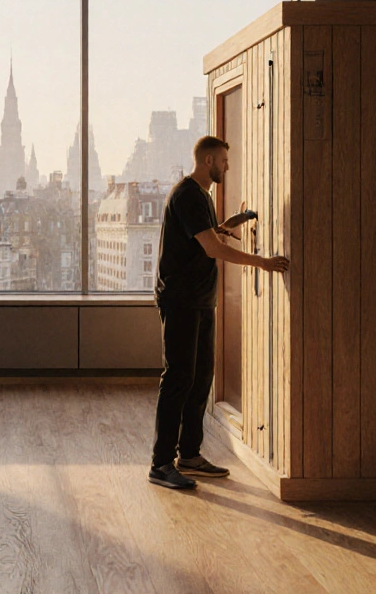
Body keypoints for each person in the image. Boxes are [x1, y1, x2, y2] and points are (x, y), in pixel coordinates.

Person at [149, 136, 290, 491]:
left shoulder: (201, 197)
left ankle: (190, 455)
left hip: (200, 299)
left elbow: (206, 236)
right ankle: (161, 463)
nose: (228, 166)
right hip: (181, 301)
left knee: (200, 379)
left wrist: (231, 222)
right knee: (179, 379)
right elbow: (212, 247)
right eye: (225, 160)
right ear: (209, 160)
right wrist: (263, 263)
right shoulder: (187, 195)